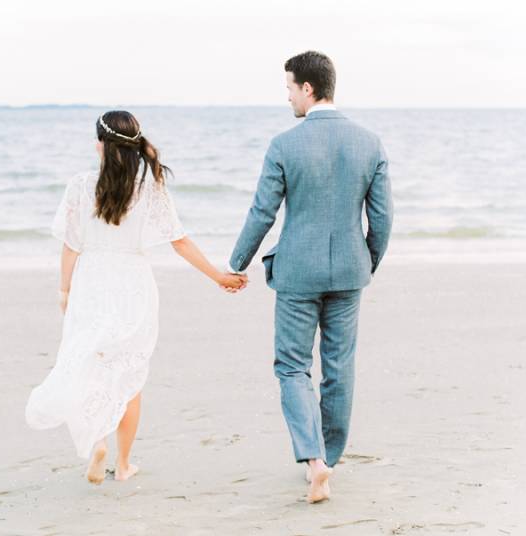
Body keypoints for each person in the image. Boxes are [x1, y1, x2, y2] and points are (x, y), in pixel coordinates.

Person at [26, 110, 247, 484]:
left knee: (92, 367)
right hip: (133, 283)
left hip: (92, 282)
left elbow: (70, 246)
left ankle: (97, 443)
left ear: (100, 144)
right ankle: (123, 464)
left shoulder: (82, 185)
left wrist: (64, 290)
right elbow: (180, 241)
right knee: (129, 375)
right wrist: (217, 277)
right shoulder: (149, 186)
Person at [228, 50, 393, 503]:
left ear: (308, 88)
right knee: (339, 368)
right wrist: (366, 261)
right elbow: (383, 219)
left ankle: (313, 459)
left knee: (292, 366)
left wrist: (237, 262)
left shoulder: (285, 144)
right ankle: (330, 461)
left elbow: (263, 211)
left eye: (288, 89)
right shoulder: (370, 143)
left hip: (297, 273)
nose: (287, 99)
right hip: (349, 272)